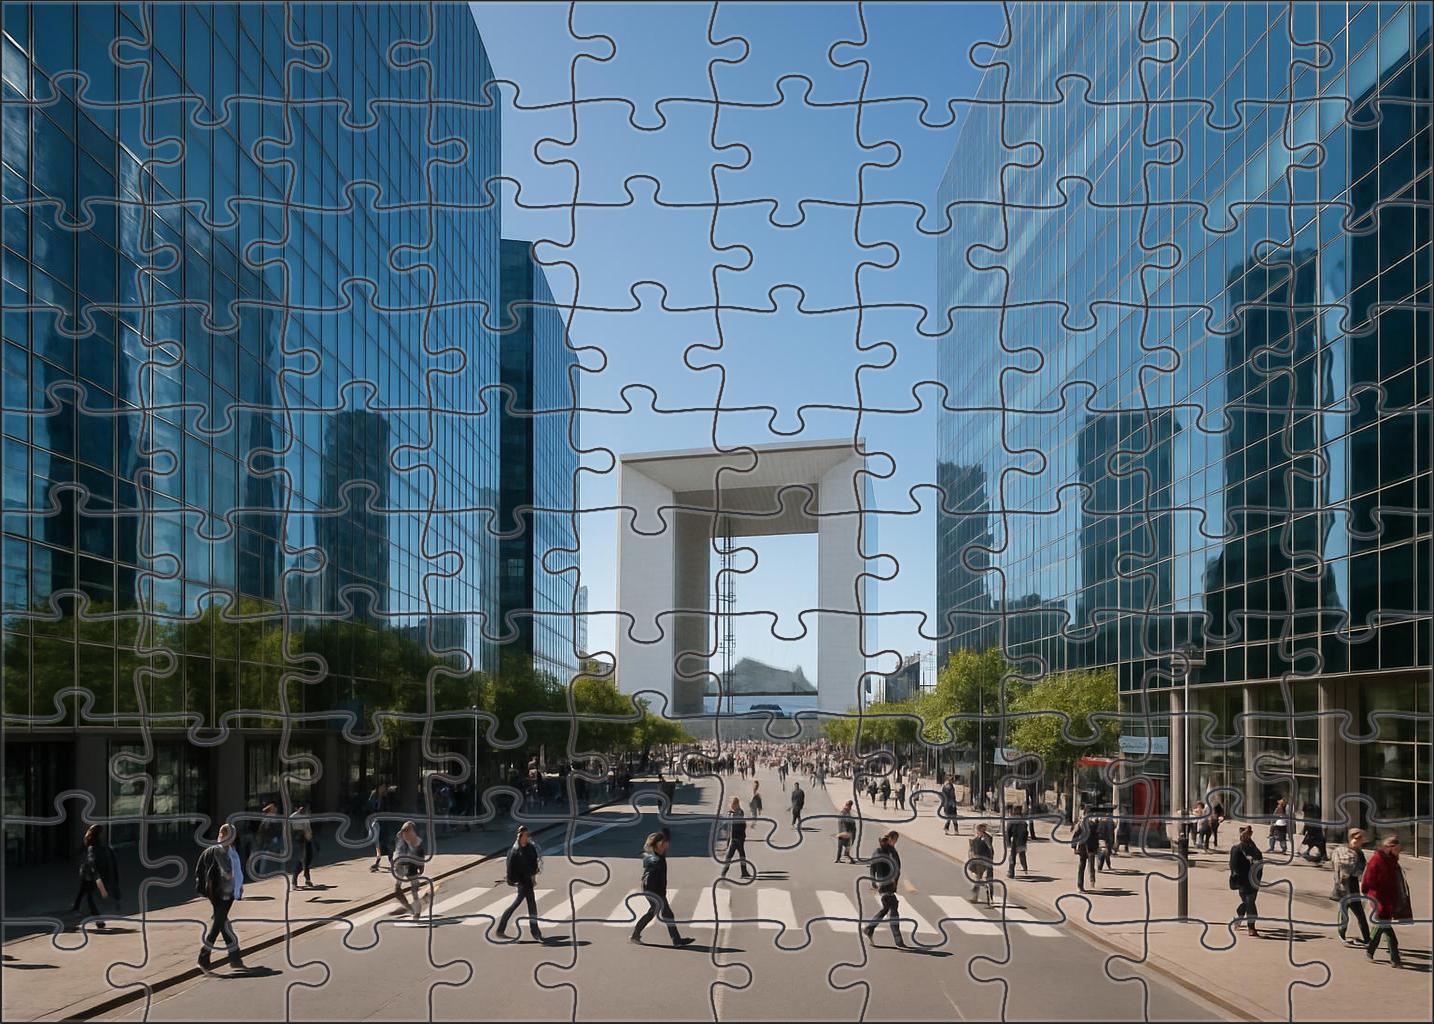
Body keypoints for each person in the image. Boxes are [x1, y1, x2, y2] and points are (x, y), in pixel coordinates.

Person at [195, 823, 248, 972]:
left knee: (222, 923)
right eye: (230, 835)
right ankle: (203, 957)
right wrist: (230, 876)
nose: (233, 838)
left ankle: (234, 956)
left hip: (227, 892)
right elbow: (227, 872)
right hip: (221, 893)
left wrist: (239, 885)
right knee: (218, 924)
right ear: (222, 835)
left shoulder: (228, 849)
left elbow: (236, 871)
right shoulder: (219, 851)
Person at [630, 832, 695, 947]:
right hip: (653, 890)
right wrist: (660, 893)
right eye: (665, 842)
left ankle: (675, 940)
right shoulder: (655, 859)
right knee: (665, 914)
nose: (668, 844)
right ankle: (676, 940)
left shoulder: (657, 855)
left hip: (653, 889)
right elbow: (651, 867)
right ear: (660, 844)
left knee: (659, 913)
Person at [1361, 834, 1410, 968]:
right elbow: (1367, 881)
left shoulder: (1392, 860)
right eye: (1397, 849)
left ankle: (1370, 951)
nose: (1399, 852)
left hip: (1388, 900)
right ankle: (1395, 959)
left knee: (1381, 927)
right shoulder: (1377, 860)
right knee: (1388, 931)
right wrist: (1370, 893)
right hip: (1379, 899)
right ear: (1390, 847)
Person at [497, 825, 546, 941]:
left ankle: (536, 933)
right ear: (521, 836)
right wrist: (513, 881)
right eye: (527, 835)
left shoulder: (530, 848)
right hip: (522, 882)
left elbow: (534, 862)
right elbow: (510, 868)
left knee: (532, 906)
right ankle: (500, 929)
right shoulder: (514, 851)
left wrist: (534, 877)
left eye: (529, 835)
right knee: (516, 905)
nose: (529, 837)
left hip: (528, 880)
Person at [71, 824, 121, 929]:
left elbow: (82, 854)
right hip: (92, 874)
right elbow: (93, 862)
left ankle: (77, 908)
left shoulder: (89, 842)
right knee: (86, 893)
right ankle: (93, 918)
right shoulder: (98, 845)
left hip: (88, 874)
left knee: (85, 891)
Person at [863, 831, 906, 947]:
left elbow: (873, 868)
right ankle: (898, 940)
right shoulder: (886, 852)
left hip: (886, 885)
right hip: (886, 885)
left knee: (887, 908)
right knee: (893, 909)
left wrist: (873, 882)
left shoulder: (884, 852)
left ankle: (870, 929)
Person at [1330, 828, 1371, 946]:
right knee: (1357, 913)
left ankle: (1343, 934)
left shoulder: (1358, 851)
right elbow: (1345, 869)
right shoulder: (1347, 852)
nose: (1360, 841)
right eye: (1358, 838)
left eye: (1361, 838)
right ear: (1352, 838)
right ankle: (1367, 939)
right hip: (1347, 885)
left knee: (1345, 911)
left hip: (1349, 885)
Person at [1229, 823, 1263, 936]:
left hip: (1253, 880)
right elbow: (1233, 866)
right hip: (1243, 881)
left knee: (1248, 902)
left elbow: (1260, 863)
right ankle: (1251, 928)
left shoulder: (1254, 849)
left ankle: (1239, 916)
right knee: (1250, 902)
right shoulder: (1237, 849)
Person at [390, 820, 428, 920]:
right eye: (406, 830)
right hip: (400, 865)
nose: (407, 831)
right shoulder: (399, 836)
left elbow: (421, 854)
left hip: (411, 866)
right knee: (397, 891)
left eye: (409, 829)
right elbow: (395, 849)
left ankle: (417, 912)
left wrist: (421, 866)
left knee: (414, 890)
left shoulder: (416, 840)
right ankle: (410, 909)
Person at [721, 798, 754, 880]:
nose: (731, 806)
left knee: (737, 855)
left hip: (737, 837)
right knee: (736, 855)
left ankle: (742, 872)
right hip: (737, 837)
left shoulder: (736, 813)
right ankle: (726, 873)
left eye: (732, 804)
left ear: (735, 804)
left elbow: (733, 825)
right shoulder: (736, 812)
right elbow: (732, 826)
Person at [1072, 809, 1101, 892]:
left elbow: (1096, 836)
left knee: (1090, 866)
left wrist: (1097, 847)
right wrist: (1074, 847)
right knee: (1082, 867)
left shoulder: (1093, 824)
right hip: (1083, 848)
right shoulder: (1080, 824)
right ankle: (1080, 886)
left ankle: (1092, 880)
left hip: (1091, 848)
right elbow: (1075, 836)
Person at [968, 823, 995, 905]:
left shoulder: (987, 838)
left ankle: (990, 898)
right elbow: (971, 850)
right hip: (977, 862)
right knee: (977, 878)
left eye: (979, 830)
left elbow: (990, 849)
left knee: (986, 879)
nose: (977, 831)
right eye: (978, 830)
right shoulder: (976, 839)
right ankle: (975, 897)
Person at [289, 803, 315, 889]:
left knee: (308, 859)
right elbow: (291, 830)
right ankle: (303, 879)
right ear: (297, 808)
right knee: (304, 859)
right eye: (301, 808)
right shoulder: (293, 817)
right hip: (300, 840)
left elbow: (308, 827)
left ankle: (305, 878)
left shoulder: (305, 815)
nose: (303, 809)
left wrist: (310, 835)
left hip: (307, 839)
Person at [368, 785, 389, 872]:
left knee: (378, 841)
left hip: (381, 822)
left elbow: (385, 808)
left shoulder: (385, 798)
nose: (384, 789)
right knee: (375, 841)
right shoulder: (375, 796)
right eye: (382, 787)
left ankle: (378, 859)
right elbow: (371, 806)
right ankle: (378, 858)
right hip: (375, 820)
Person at [1004, 808, 1029, 878]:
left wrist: (1008, 842)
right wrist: (1025, 841)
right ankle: (1025, 868)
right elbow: (1026, 832)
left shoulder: (1011, 820)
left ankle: (1011, 872)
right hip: (1021, 841)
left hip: (1014, 841)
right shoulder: (1023, 821)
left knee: (1012, 856)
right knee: (1022, 855)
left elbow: (1008, 832)